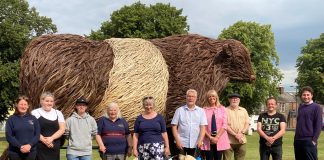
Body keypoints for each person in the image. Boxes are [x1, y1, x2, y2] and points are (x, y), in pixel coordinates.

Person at [171, 89, 207, 157]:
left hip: (195, 143)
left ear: (196, 98)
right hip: (181, 143)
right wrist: (177, 140)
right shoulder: (179, 110)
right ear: (186, 97)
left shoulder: (201, 111)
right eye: (189, 96)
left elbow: (203, 128)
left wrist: (200, 140)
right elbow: (174, 126)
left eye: (193, 96)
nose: (191, 98)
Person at [31, 92, 65, 160]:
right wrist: (44, 140)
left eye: (51, 101)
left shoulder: (58, 113)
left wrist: (51, 138)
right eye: (47, 101)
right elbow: (32, 129)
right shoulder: (35, 112)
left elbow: (62, 129)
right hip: (40, 147)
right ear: (41, 101)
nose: (49, 103)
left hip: (54, 147)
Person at [5, 96, 40, 160]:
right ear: (17, 105)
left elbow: (37, 135)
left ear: (28, 106)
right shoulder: (11, 119)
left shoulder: (33, 118)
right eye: (21, 104)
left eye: (25, 104)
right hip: (15, 153)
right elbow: (9, 136)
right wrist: (20, 147)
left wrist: (29, 145)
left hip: (31, 152)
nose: (23, 106)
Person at [294, 86, 322, 160]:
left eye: (308, 95)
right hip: (298, 140)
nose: (306, 97)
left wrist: (314, 140)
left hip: (309, 141)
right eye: (304, 95)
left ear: (311, 95)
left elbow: (318, 125)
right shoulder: (301, 107)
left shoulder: (316, 107)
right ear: (301, 96)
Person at [201, 90, 230, 160]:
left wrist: (217, 137)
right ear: (207, 98)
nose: (211, 98)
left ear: (216, 97)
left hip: (220, 139)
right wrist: (210, 137)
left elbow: (225, 124)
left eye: (213, 96)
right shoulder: (203, 110)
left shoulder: (222, 109)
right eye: (209, 96)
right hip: (207, 139)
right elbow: (202, 126)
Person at [223, 93, 249, 160]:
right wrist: (235, 135)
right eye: (233, 98)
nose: (234, 100)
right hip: (228, 141)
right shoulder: (225, 110)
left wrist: (242, 133)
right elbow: (225, 125)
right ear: (229, 100)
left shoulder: (244, 110)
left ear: (239, 100)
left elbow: (247, 123)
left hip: (241, 141)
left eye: (236, 98)